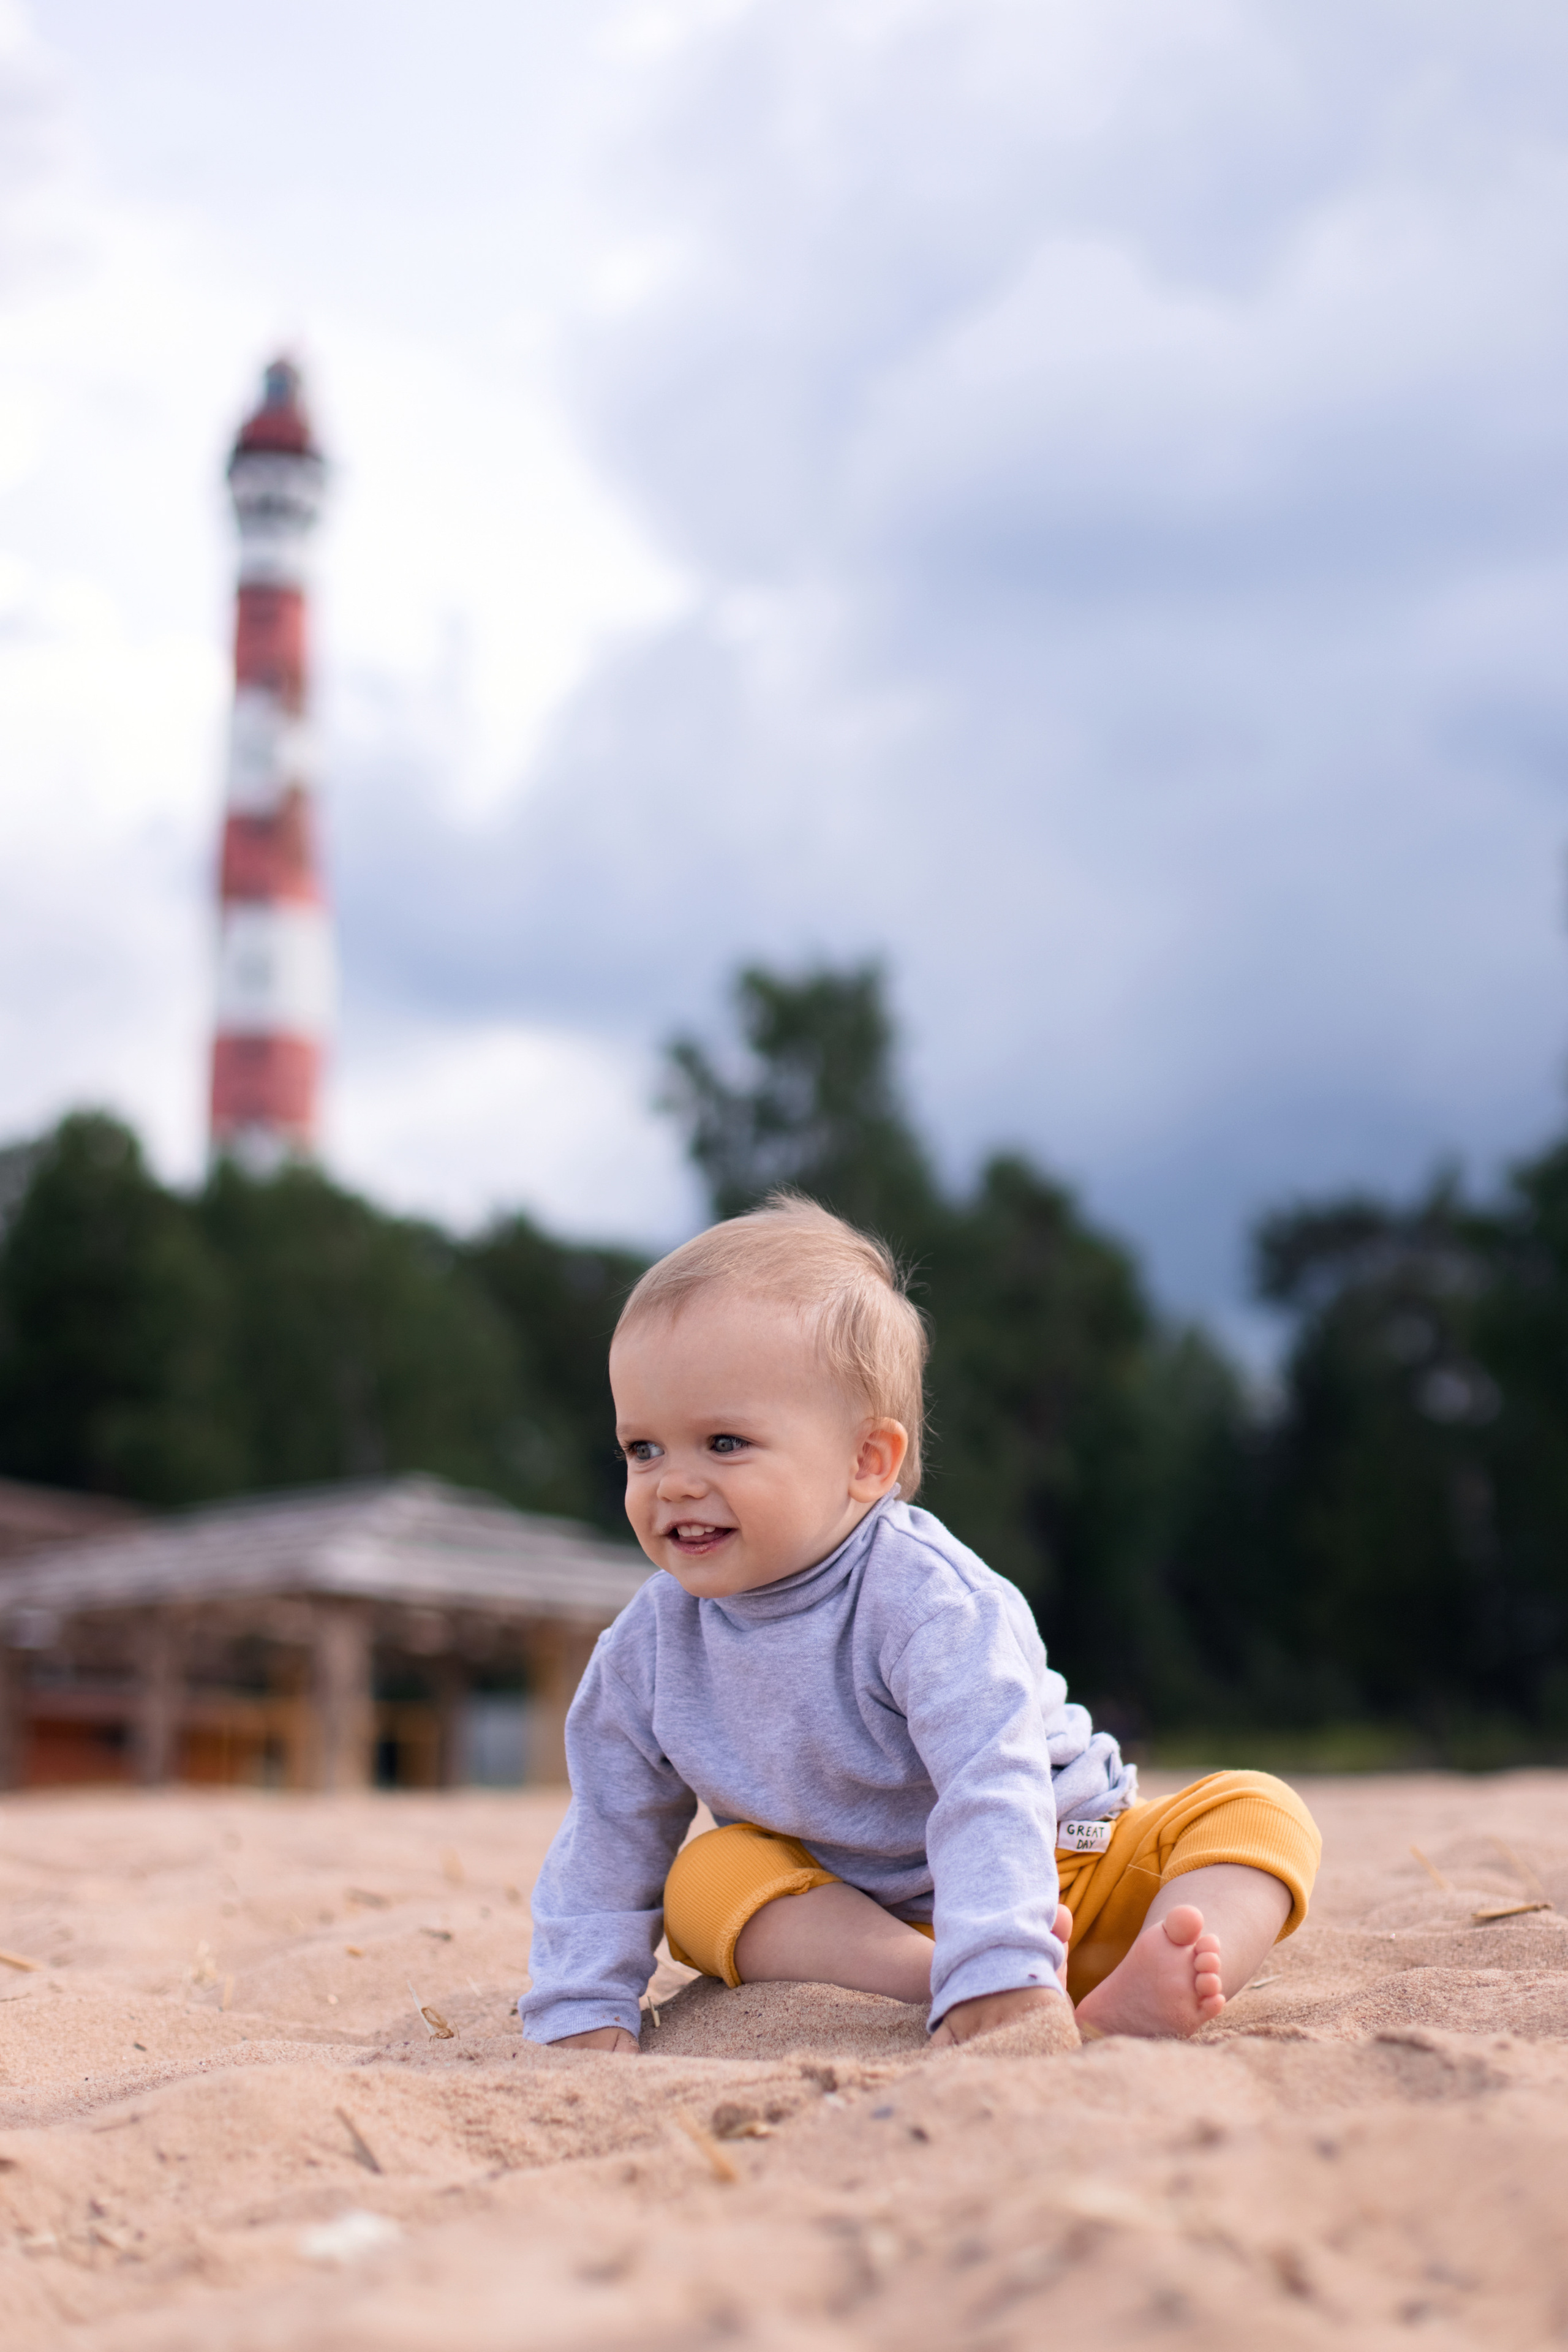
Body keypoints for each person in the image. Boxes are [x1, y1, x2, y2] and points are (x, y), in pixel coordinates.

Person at [519, 1195, 1319, 2054]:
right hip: (857, 1918)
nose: (672, 1483)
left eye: (723, 1444)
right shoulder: (647, 1648)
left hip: (1058, 1871)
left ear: (868, 1463)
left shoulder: (924, 1597)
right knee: (705, 1880)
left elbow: (991, 1777)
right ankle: (930, 1976)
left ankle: (1161, 1973)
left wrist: (1002, 1956)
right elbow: (609, 1830)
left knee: (1258, 1813)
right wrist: (582, 2006)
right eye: (643, 1449)